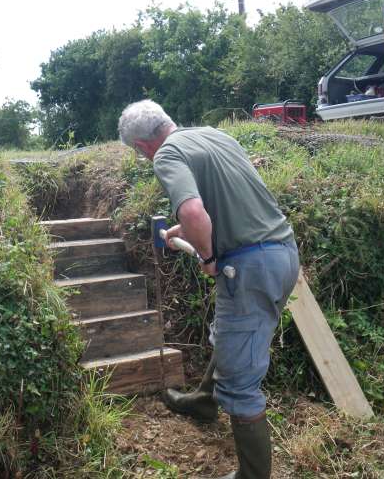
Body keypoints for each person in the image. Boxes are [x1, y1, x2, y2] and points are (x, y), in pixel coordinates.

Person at [118, 100, 299, 479]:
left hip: (248, 266)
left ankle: (252, 476)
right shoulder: (214, 136)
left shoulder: (166, 155)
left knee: (240, 381)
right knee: (230, 334)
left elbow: (195, 213)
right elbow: (229, 205)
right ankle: (203, 400)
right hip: (280, 252)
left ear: (140, 146)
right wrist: (186, 231)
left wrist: (208, 255)